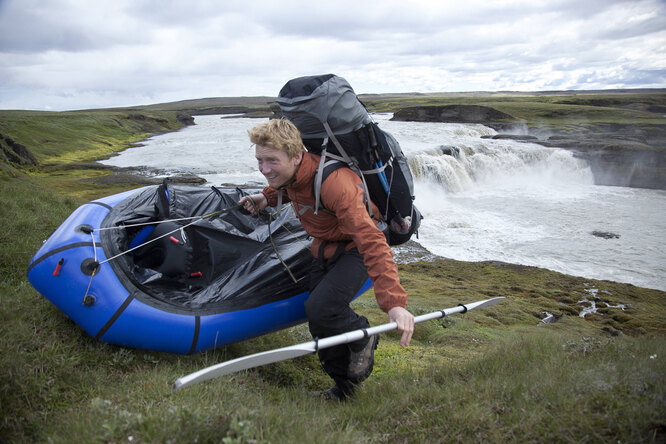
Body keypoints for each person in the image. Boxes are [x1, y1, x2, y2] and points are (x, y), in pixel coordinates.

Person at [239, 118, 414, 401]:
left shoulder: (336, 184)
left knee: (323, 308)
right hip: (324, 247)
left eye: (271, 160)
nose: (264, 168)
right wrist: (265, 198)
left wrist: (395, 305)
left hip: (355, 248)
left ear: (297, 156)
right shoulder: (292, 173)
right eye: (260, 160)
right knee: (319, 320)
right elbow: (287, 185)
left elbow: (372, 242)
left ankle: (363, 334)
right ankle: (345, 390)